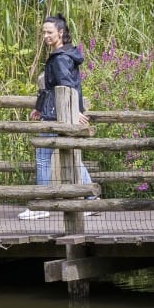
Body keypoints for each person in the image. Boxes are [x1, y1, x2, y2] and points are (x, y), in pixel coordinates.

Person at [22, 14, 98, 221]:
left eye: (50, 32)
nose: (45, 36)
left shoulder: (59, 58)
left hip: (56, 116)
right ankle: (91, 200)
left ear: (61, 33)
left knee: (43, 158)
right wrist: (40, 108)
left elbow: (67, 87)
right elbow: (53, 88)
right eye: (44, 32)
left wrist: (75, 112)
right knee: (73, 156)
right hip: (58, 113)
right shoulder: (66, 54)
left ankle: (42, 204)